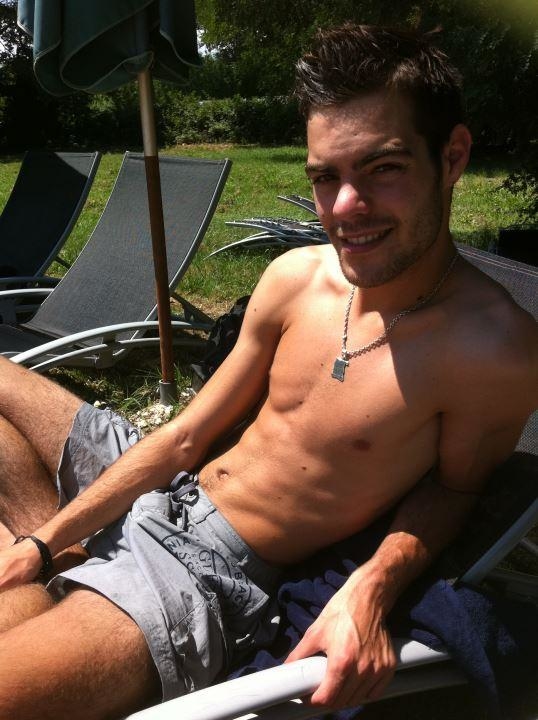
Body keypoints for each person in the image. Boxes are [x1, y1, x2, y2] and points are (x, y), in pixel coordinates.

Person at [0, 23, 536, 720]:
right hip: (164, 477)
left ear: (453, 156)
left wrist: (372, 588)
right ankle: (54, 558)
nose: (345, 208)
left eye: (384, 168)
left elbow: (456, 491)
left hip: (204, 568)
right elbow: (186, 436)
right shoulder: (296, 277)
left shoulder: (493, 348)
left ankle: (55, 585)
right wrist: (42, 546)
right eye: (325, 176)